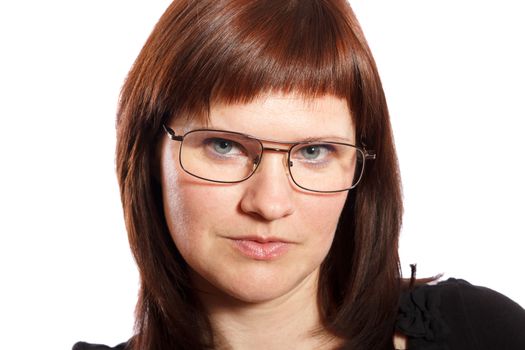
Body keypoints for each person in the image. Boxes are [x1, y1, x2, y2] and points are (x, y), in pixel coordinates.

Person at [73, 0, 525, 349]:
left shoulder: (484, 333)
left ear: (362, 167)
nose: (269, 204)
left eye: (314, 151)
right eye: (223, 145)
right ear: (148, 154)